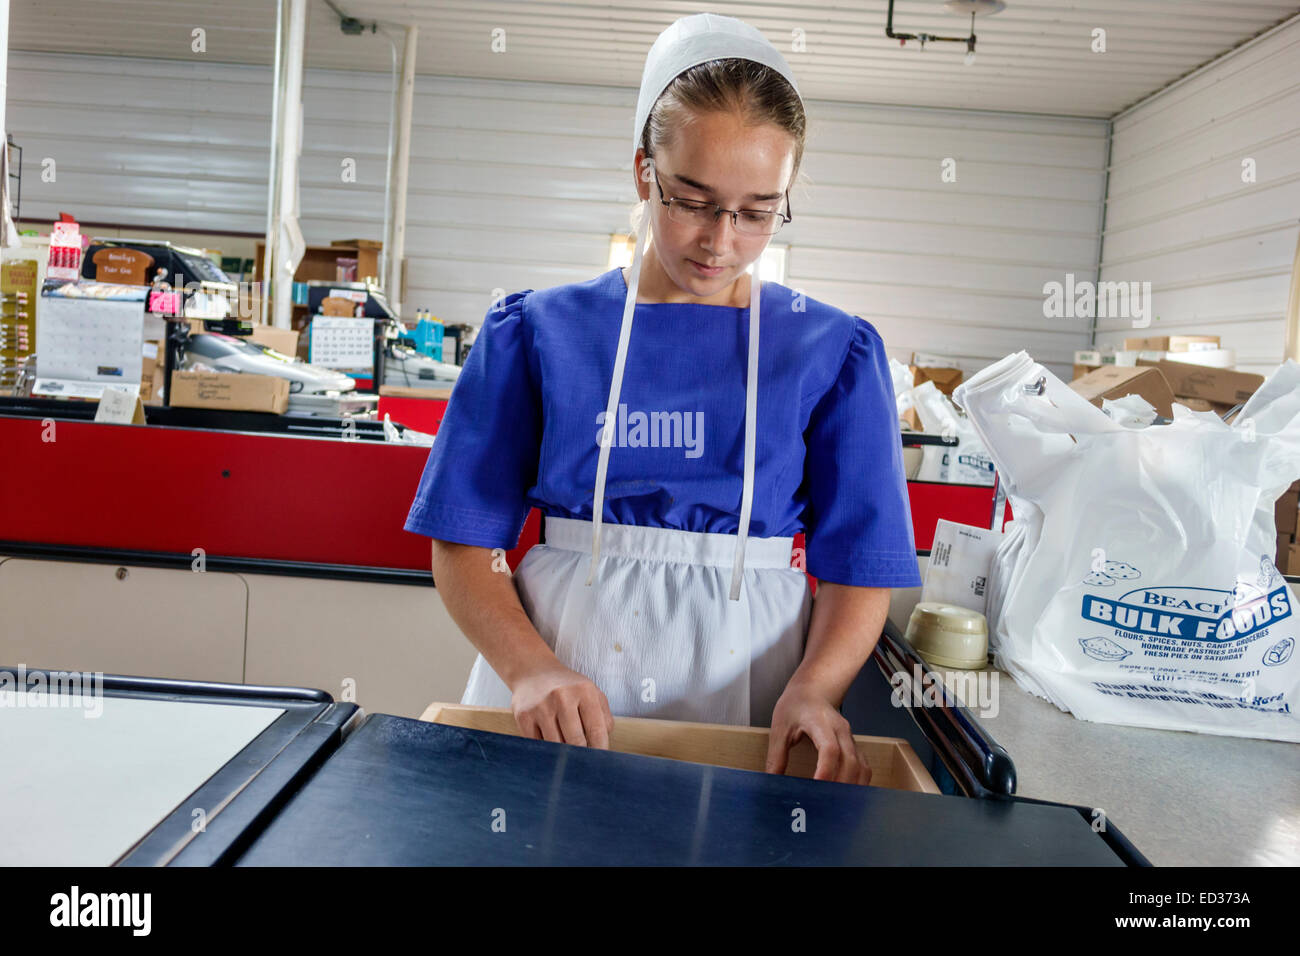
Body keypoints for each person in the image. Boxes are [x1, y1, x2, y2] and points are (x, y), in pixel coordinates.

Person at [404, 14, 920, 784]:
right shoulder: (537, 332)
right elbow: (463, 542)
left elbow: (858, 570)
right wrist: (530, 671)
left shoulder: (832, 351)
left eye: (756, 213)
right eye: (692, 199)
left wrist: (815, 688)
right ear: (645, 173)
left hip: (754, 691)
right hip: (560, 680)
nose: (720, 240)